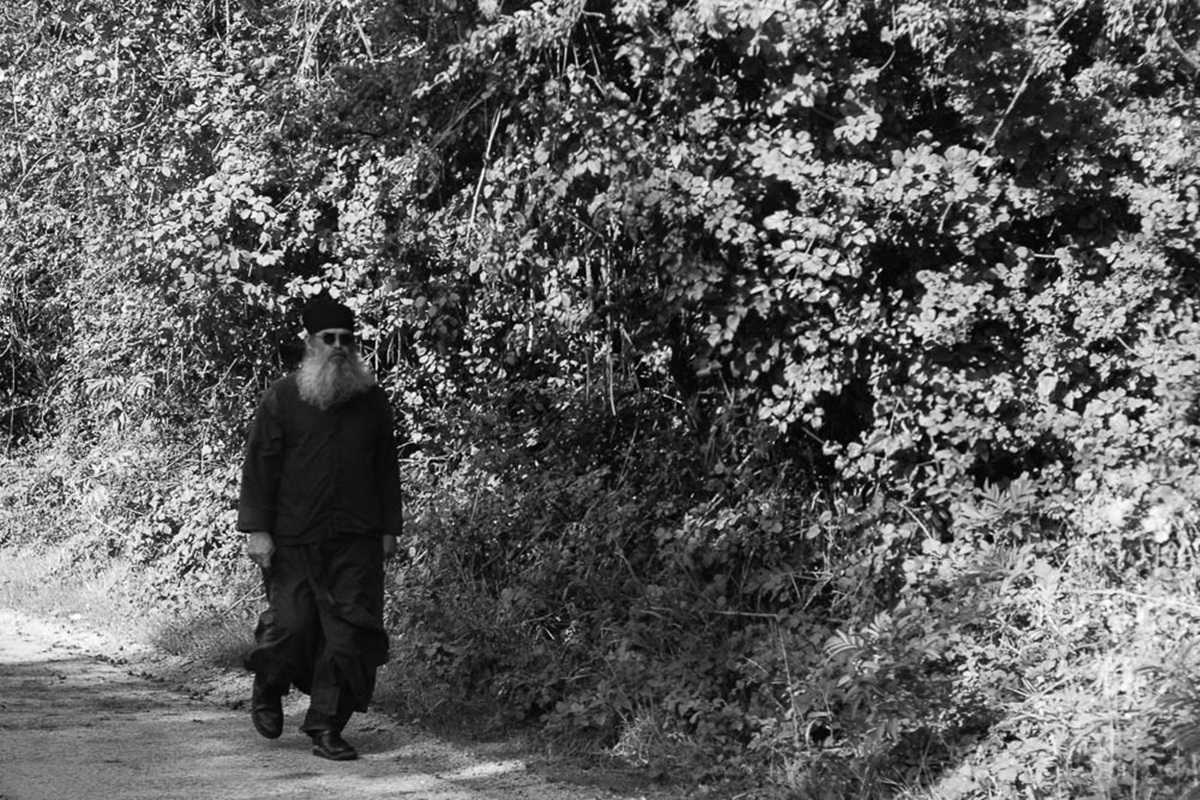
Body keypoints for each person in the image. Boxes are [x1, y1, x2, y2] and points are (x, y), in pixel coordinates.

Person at [237, 293, 403, 761]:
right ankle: (269, 682)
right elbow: (260, 465)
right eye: (329, 338)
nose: (338, 346)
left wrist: (389, 529)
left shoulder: (372, 401)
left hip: (357, 536)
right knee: (291, 625)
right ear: (310, 342)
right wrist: (257, 530)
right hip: (294, 537)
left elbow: (386, 468)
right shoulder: (283, 397)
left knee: (349, 635)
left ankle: (326, 726)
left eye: (346, 339)